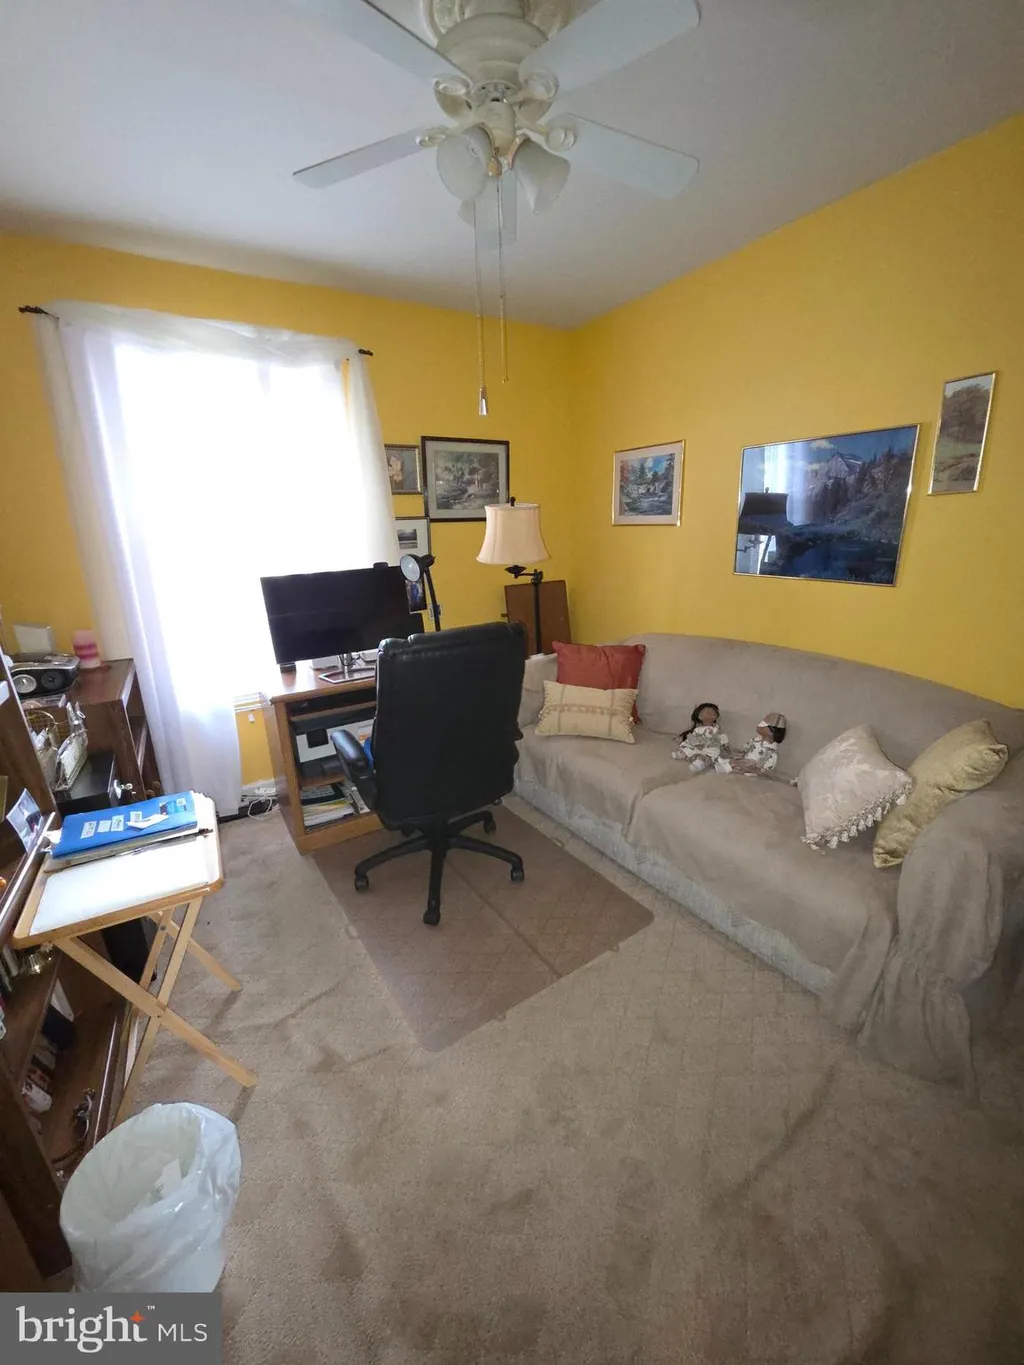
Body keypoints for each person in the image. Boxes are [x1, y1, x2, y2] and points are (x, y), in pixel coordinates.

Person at [715, 713, 787, 777]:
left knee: (736, 765)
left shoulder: (771, 753)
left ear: (771, 732)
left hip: (751, 770)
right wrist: (729, 748)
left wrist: (754, 770)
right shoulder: (755, 740)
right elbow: (743, 750)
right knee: (733, 760)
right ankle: (723, 763)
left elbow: (765, 771)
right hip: (744, 761)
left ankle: (726, 767)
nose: (759, 725)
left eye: (763, 723)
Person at [672, 702, 729, 772]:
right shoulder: (698, 729)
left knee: (708, 757)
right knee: (688, 748)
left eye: (714, 712)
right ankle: (683, 753)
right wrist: (694, 742)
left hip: (710, 747)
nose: (712, 712)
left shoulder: (716, 729)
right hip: (697, 746)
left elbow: (722, 737)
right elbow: (693, 737)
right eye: (708, 712)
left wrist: (726, 746)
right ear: (700, 716)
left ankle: (699, 764)